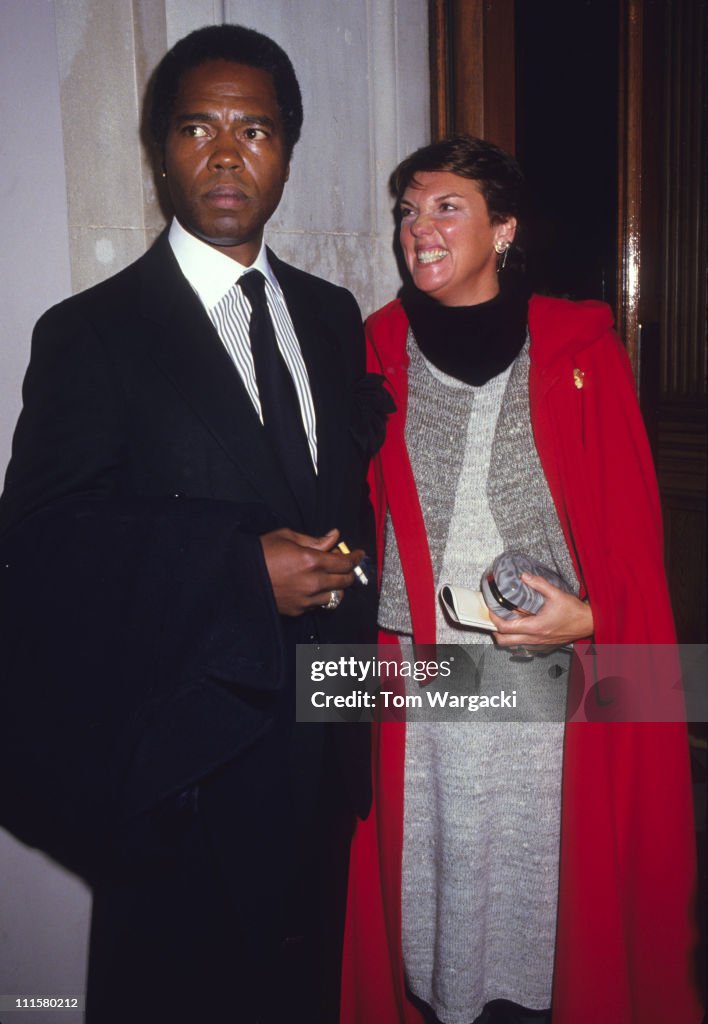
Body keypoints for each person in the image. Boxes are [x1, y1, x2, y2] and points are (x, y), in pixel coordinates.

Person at [0, 24, 379, 1024]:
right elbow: (39, 552)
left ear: (288, 150)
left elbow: (338, 500)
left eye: (254, 129)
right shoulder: (94, 333)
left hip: (324, 767)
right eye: (195, 128)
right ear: (160, 147)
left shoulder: (333, 314)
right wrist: (234, 571)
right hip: (183, 788)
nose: (224, 154)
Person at [341, 136, 703, 1024]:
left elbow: (627, 543)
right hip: (419, 688)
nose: (417, 230)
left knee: (541, 907)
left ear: (502, 229)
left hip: (546, 690)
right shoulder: (371, 351)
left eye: (445, 207)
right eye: (407, 212)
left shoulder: (582, 349)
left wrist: (594, 621)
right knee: (433, 896)